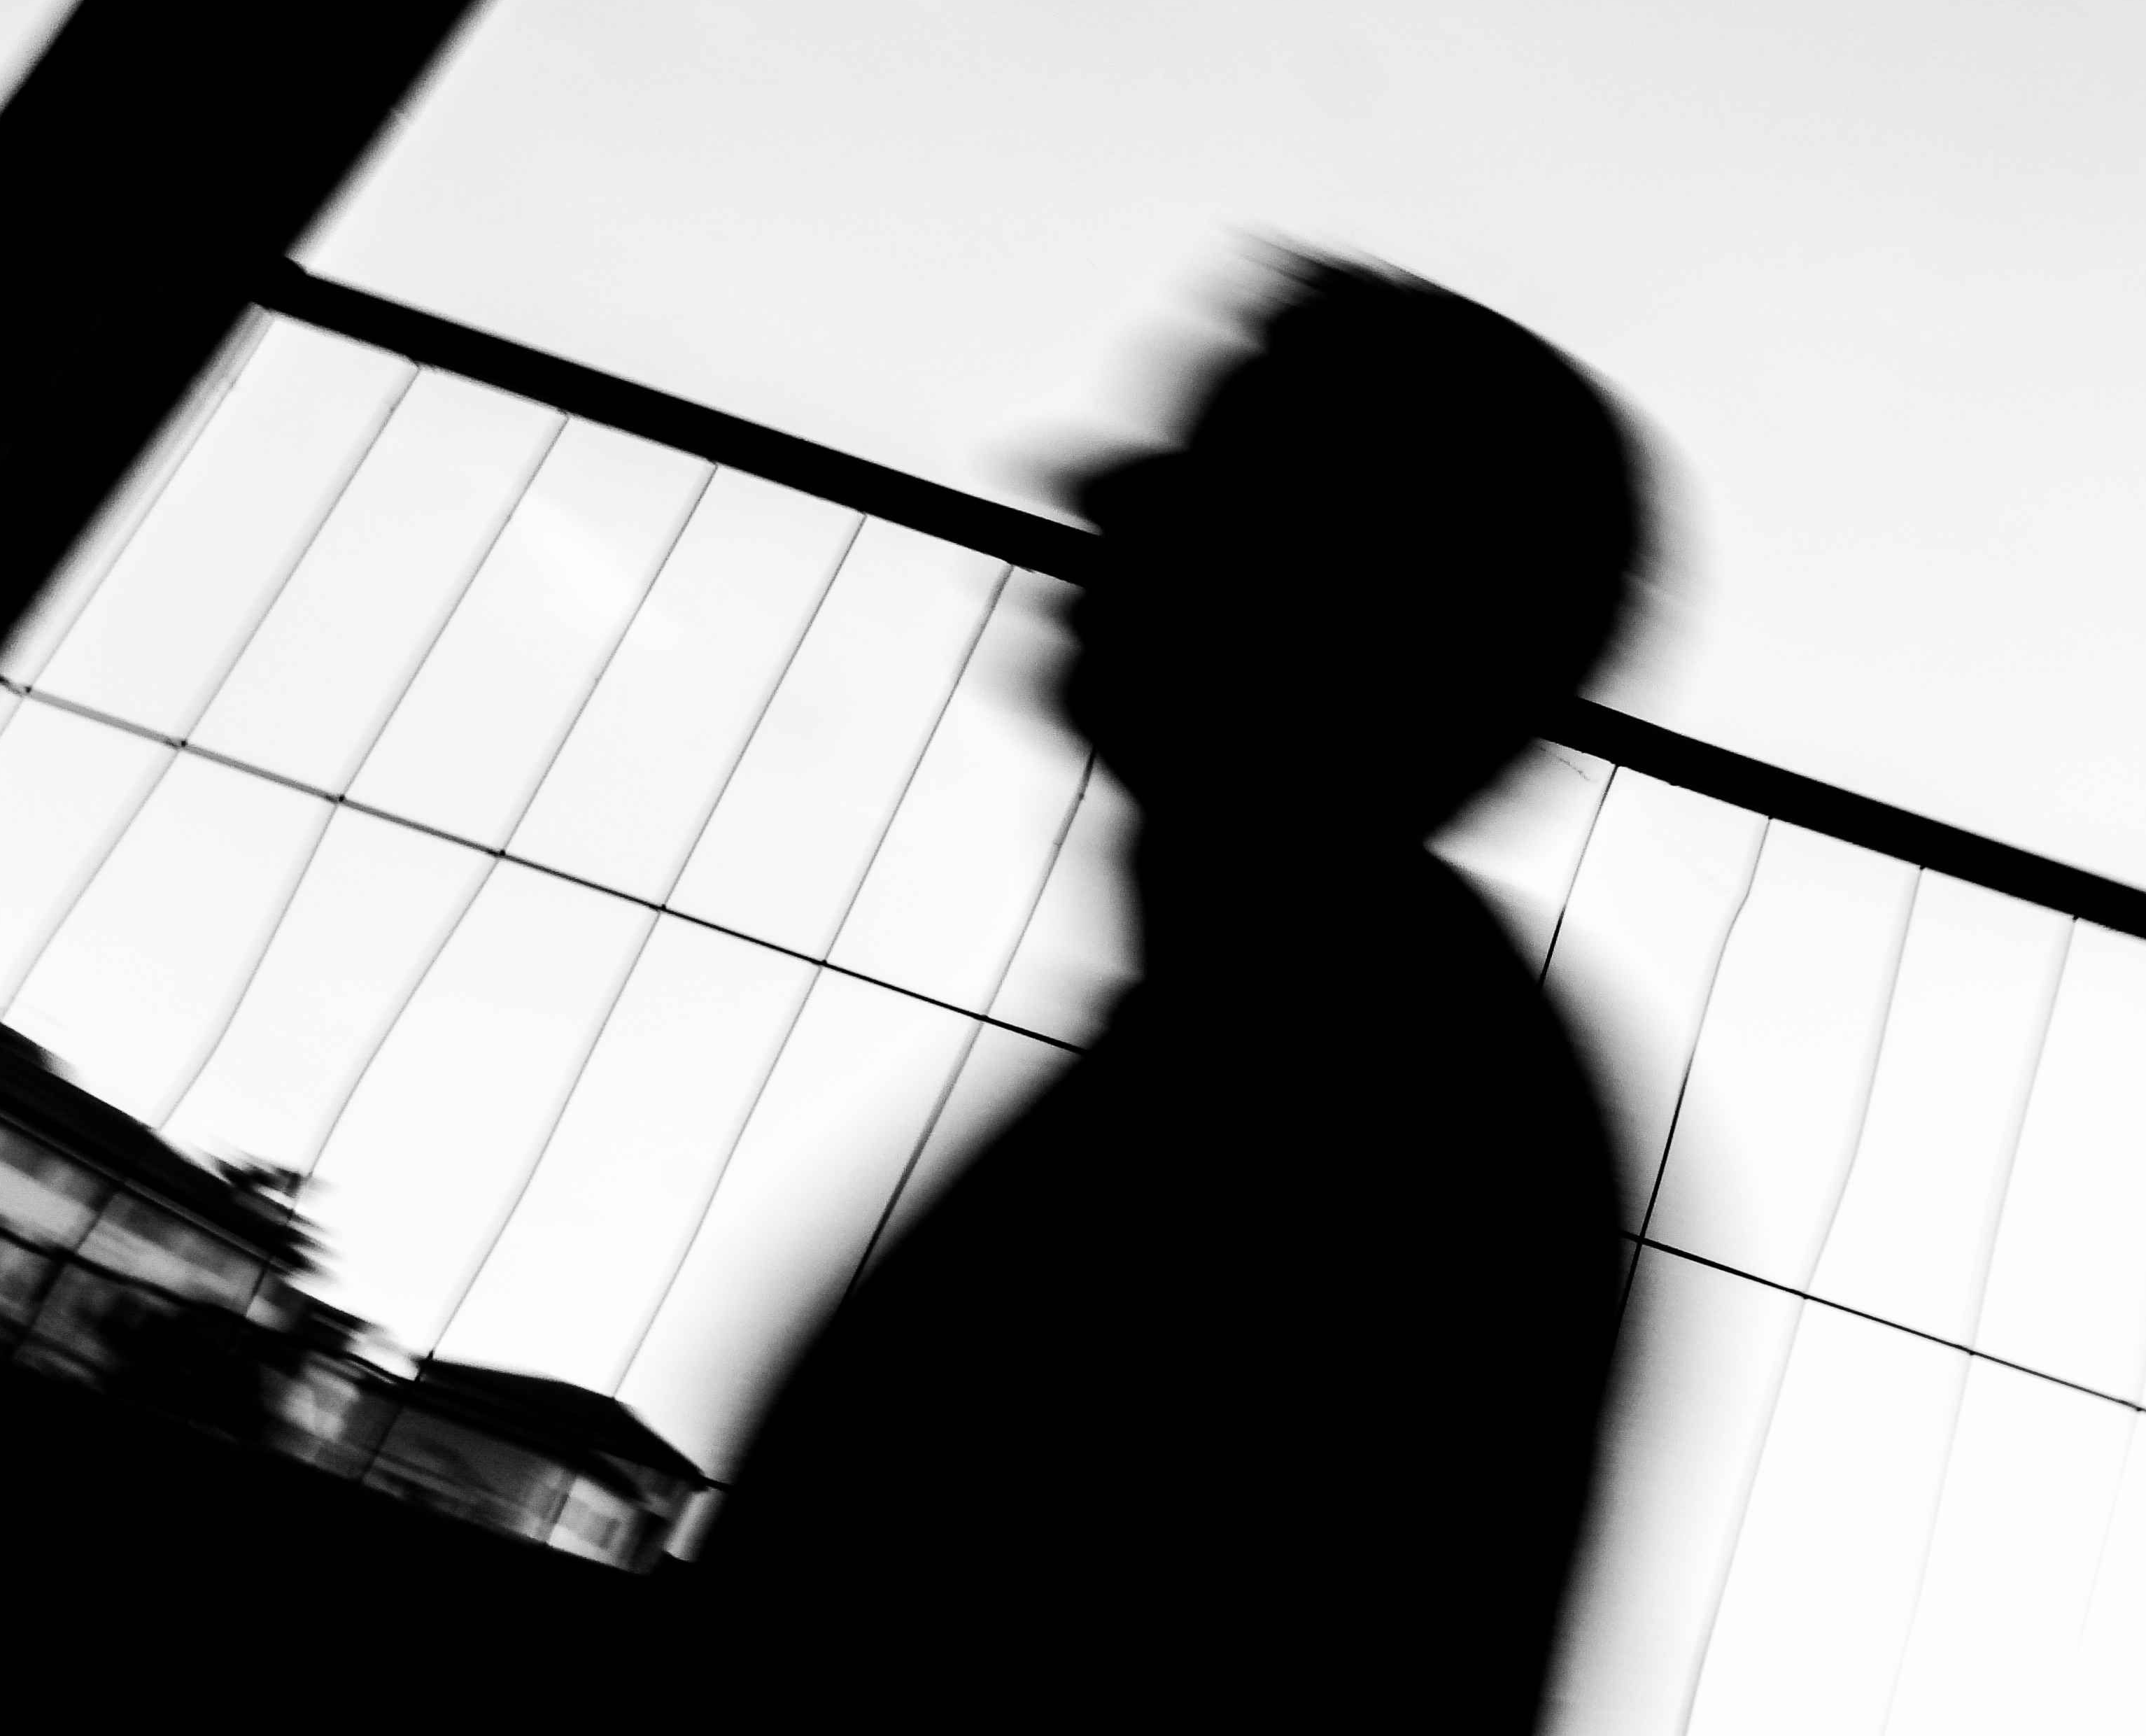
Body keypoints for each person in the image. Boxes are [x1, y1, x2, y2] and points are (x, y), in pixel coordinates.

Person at [689, 247, 1653, 1729]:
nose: (1103, 487)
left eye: (1236, 477)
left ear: (1382, 605)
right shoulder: (1358, 1039)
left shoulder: (1349, 1100)